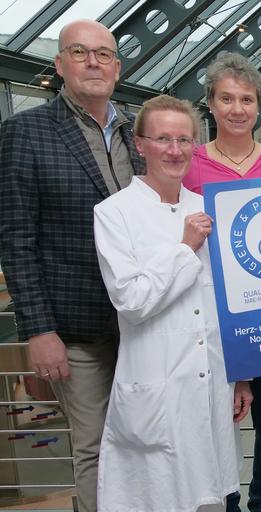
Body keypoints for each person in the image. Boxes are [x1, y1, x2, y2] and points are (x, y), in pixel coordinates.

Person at [0, 19, 144, 511]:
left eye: (103, 54)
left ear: (117, 67)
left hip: (139, 320)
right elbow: (17, 239)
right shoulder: (25, 132)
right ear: (59, 64)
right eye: (79, 52)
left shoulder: (137, 131)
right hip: (74, 327)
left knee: (141, 437)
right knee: (96, 447)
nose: (92, 63)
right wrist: (39, 330)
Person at [93, 95, 252, 511]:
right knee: (158, 497)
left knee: (214, 496)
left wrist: (240, 376)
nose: (175, 150)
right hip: (156, 387)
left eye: (185, 140)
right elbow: (131, 300)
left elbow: (227, 304)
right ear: (140, 144)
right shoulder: (114, 214)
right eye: (163, 139)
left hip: (212, 381)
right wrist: (185, 248)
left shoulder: (208, 208)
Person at [183, 51, 261, 512]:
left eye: (246, 99)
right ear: (210, 103)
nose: (237, 108)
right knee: (215, 425)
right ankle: (224, 503)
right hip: (208, 318)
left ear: (258, 105)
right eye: (226, 98)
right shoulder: (187, 165)